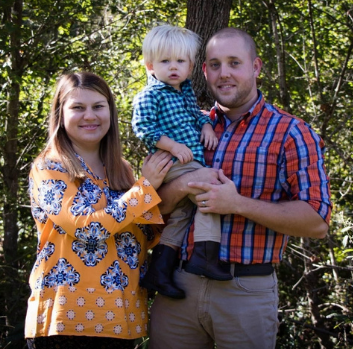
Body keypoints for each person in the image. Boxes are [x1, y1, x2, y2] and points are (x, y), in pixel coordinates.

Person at [149, 27, 332, 349]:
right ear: (203, 71)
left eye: (235, 62)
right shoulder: (188, 128)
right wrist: (181, 185)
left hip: (246, 292)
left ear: (256, 67)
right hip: (179, 286)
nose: (224, 73)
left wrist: (236, 204)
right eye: (215, 65)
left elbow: (316, 222)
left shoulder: (291, 132)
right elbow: (154, 207)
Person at [25, 72, 173, 349]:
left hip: (121, 319)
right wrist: (146, 187)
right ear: (60, 113)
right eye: (78, 107)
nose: (89, 116)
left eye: (98, 106)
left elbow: (143, 235)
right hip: (66, 320)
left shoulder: (122, 170)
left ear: (110, 111)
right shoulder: (50, 167)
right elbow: (88, 229)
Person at [132, 25, 232, 300]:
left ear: (190, 66)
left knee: (181, 216)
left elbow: (197, 115)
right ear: (151, 65)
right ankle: (205, 256)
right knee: (209, 187)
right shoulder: (149, 95)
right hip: (174, 161)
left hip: (188, 159)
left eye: (180, 61)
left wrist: (207, 127)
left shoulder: (185, 92)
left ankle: (159, 272)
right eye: (165, 62)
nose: (173, 68)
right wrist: (174, 146)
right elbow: (143, 128)